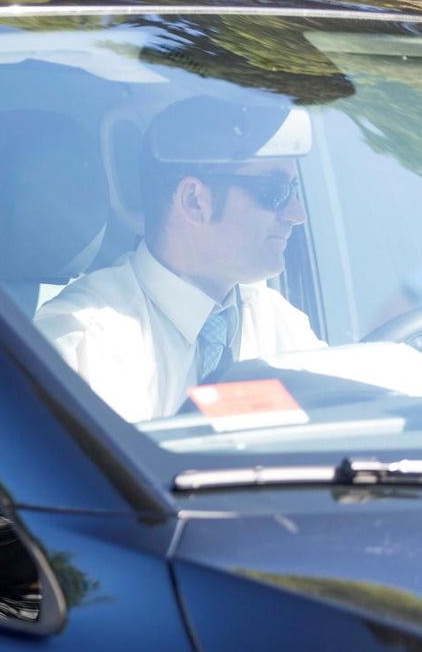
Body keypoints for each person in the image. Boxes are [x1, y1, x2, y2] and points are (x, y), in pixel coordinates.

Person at [34, 95, 326, 422]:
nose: (297, 214)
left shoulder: (280, 324)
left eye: (294, 190)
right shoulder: (83, 345)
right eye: (275, 192)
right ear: (194, 201)